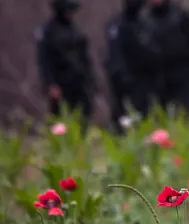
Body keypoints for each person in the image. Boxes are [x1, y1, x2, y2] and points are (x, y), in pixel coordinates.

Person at [141, 0, 189, 120]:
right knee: (163, 112)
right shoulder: (145, 21)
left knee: (188, 110)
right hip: (159, 75)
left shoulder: (180, 16)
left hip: (184, 70)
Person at [36, 0, 95, 132]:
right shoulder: (48, 31)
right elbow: (44, 60)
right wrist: (50, 84)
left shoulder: (75, 29)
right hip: (60, 82)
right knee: (60, 119)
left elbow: (85, 57)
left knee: (85, 115)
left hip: (79, 81)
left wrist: (92, 80)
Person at [104, 0, 150, 133]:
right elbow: (115, 52)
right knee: (121, 114)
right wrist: (120, 74)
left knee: (141, 113)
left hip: (142, 78)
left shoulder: (145, 24)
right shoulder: (117, 25)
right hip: (122, 79)